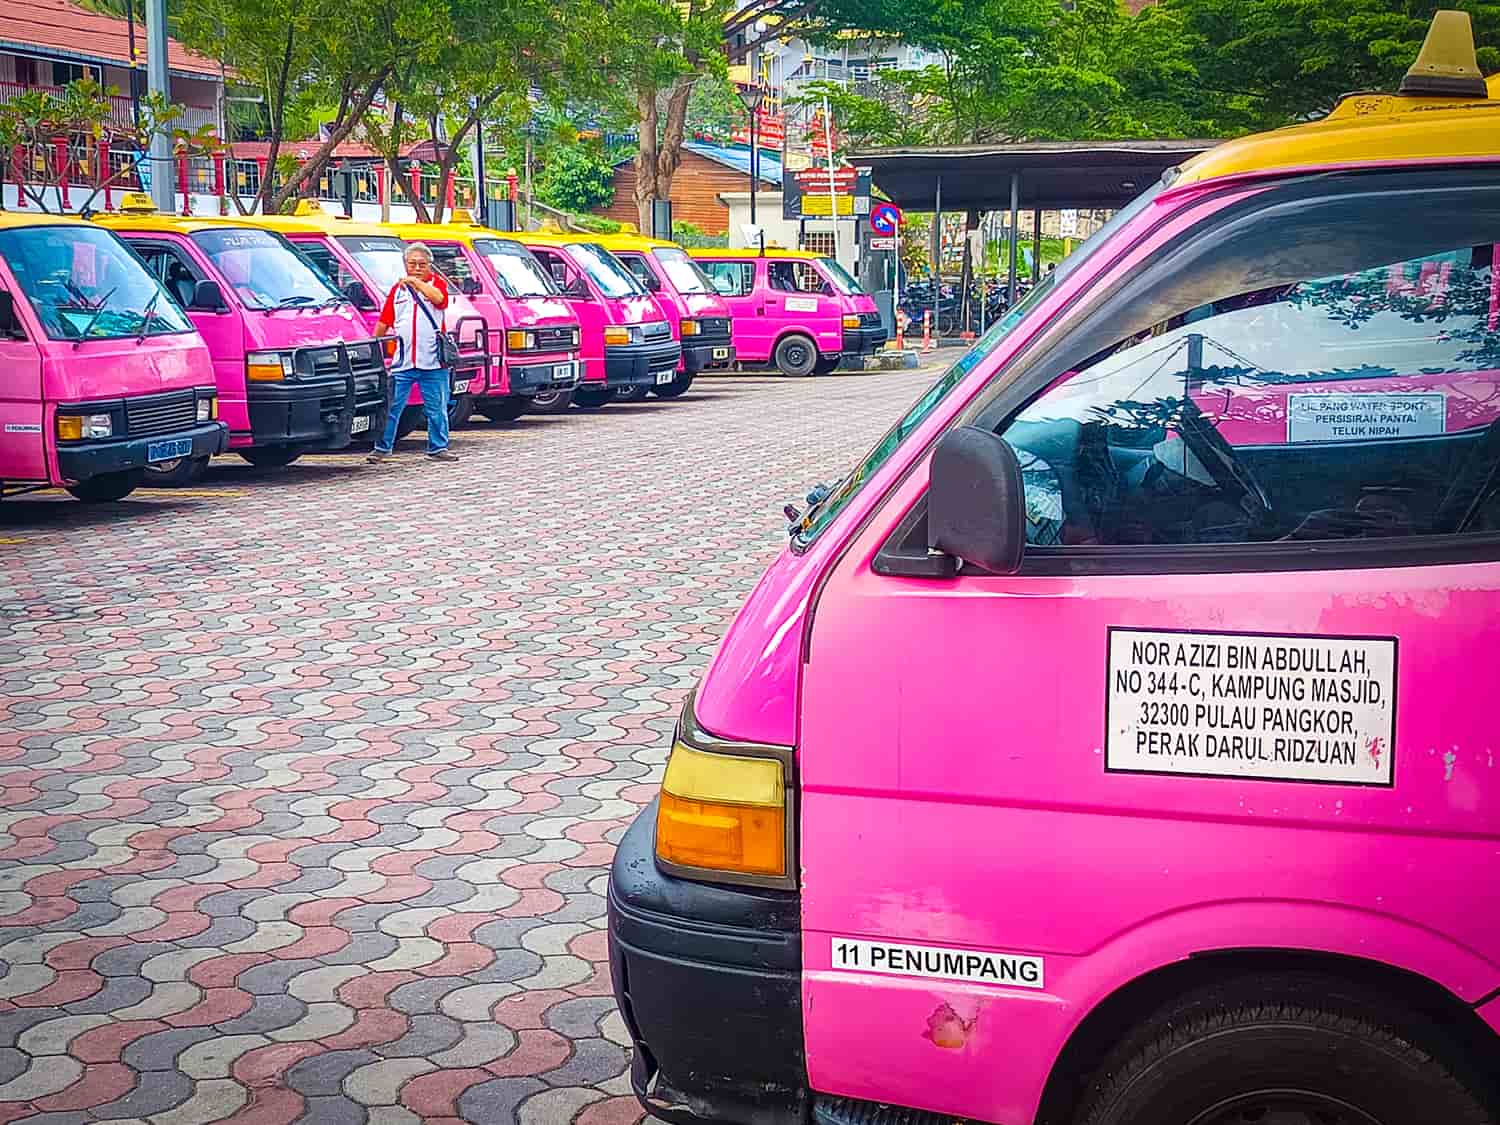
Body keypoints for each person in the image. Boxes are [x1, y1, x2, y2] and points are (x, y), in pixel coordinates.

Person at [368, 242, 459, 463]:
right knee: (392, 406)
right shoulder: (397, 291)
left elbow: (439, 299)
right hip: (404, 361)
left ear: (430, 266)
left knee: (436, 407)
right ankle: (382, 448)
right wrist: (374, 346)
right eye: (412, 264)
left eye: (422, 264)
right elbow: (385, 321)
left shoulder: (437, 284)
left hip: (433, 361)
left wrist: (417, 283)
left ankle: (438, 448)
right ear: (405, 265)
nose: (417, 268)